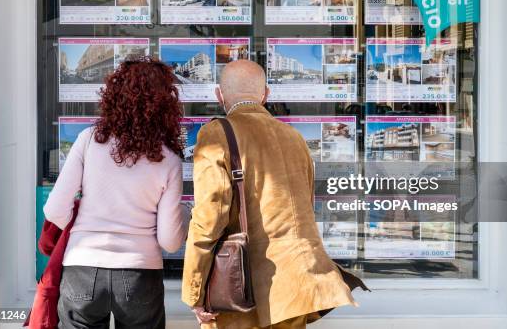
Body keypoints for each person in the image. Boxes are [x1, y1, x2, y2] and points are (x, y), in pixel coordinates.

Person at [182, 60, 367, 329]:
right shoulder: (294, 137)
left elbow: (208, 220)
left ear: (219, 95)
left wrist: (194, 292)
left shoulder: (216, 134)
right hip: (297, 286)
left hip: (244, 290)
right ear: (266, 95)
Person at [44, 58, 188, 329]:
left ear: (114, 96)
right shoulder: (169, 159)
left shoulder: (89, 140)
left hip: (82, 267)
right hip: (140, 274)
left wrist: (84, 232)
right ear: (164, 104)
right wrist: (184, 215)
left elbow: (54, 210)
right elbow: (169, 241)